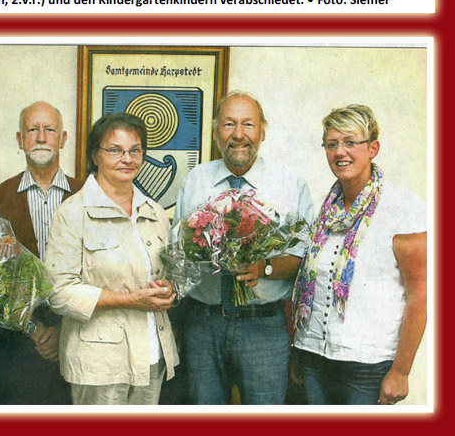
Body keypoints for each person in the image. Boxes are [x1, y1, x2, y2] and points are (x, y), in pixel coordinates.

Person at [173, 91, 314, 405]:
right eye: (228, 125)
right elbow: (178, 250)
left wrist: (264, 267)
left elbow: (305, 258)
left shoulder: (290, 184)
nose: (238, 134)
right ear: (215, 133)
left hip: (263, 325)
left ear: (262, 131)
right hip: (203, 323)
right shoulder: (195, 180)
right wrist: (202, 255)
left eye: (248, 125)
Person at [292, 105, 427, 405]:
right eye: (331, 144)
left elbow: (421, 295)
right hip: (314, 358)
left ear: (373, 148)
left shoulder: (404, 209)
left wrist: (401, 371)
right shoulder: (320, 209)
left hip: (367, 367)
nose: (340, 152)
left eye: (351, 142)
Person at [44, 113, 179, 405]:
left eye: (135, 150)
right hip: (99, 363)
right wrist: (129, 300)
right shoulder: (72, 213)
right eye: (115, 150)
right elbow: (58, 293)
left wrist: (169, 289)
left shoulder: (155, 212)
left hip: (152, 354)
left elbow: (166, 276)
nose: (127, 158)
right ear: (95, 155)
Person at [0, 101, 81, 405]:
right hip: (15, 347)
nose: (40, 137)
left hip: (76, 340)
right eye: (32, 129)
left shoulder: (89, 194)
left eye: (49, 130)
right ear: (20, 139)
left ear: (62, 139)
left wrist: (62, 329)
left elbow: (100, 272)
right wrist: (35, 329)